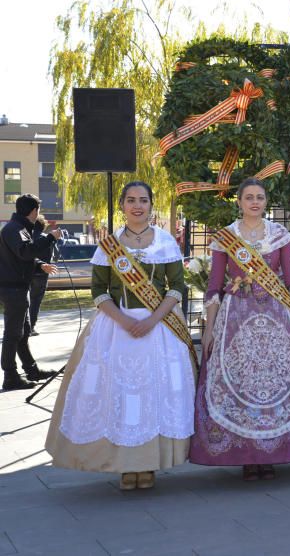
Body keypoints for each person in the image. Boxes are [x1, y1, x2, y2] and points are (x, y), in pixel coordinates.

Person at [46, 182, 196, 490]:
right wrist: (124, 320)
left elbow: (177, 287)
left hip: (160, 328)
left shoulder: (165, 243)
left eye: (143, 199)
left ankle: (149, 465)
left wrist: (153, 319)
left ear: (151, 205)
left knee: (154, 394)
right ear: (123, 205)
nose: (137, 205)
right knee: (120, 393)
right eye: (131, 200)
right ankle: (126, 467)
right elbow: (98, 291)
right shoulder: (109, 246)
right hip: (116, 328)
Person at [189, 179, 290, 480]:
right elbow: (214, 286)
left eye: (260, 197)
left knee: (273, 383)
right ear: (239, 202)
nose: (255, 202)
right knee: (242, 384)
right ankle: (247, 456)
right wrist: (210, 329)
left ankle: (269, 454)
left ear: (265, 202)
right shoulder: (225, 237)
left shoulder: (278, 235)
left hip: (276, 317)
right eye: (249, 197)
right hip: (236, 319)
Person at [0, 194, 60, 391]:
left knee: (23, 333)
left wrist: (40, 265)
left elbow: (22, 257)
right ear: (34, 211)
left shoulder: (18, 228)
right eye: (38, 210)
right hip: (12, 288)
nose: (38, 214)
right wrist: (50, 237)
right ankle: (10, 376)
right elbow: (25, 252)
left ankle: (32, 370)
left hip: (18, 287)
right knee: (13, 334)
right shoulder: (14, 229)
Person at [28, 215, 55, 337]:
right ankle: (31, 327)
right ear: (43, 226)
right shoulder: (46, 238)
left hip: (28, 273)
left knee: (25, 301)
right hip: (42, 274)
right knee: (35, 302)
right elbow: (53, 256)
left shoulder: (26, 238)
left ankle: (23, 327)